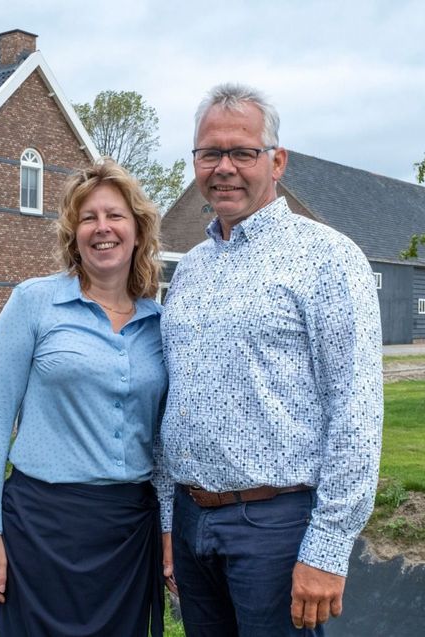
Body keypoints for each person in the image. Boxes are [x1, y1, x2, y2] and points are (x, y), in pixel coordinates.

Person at [157, 83, 384, 636]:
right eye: (210, 153)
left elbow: (356, 411)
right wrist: (169, 521)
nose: (224, 168)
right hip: (192, 522)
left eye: (242, 152)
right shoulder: (189, 270)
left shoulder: (328, 259)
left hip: (276, 527)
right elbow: (174, 398)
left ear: (276, 161)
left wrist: (328, 547)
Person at [0, 159, 167, 637]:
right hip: (42, 527)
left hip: (127, 531)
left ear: (137, 229)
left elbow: (165, 439)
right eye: (88, 218)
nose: (102, 228)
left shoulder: (159, 323)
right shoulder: (33, 302)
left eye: (115, 216)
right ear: (73, 234)